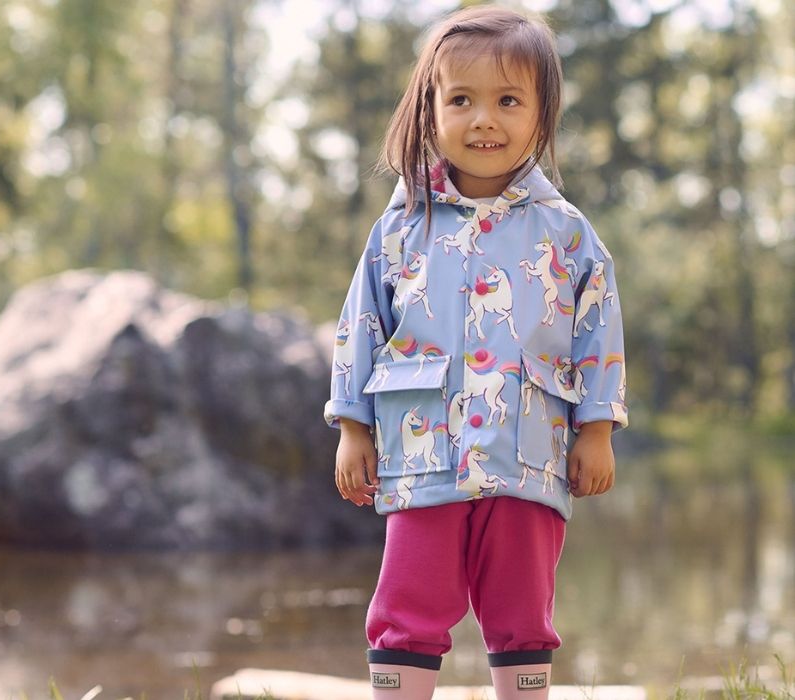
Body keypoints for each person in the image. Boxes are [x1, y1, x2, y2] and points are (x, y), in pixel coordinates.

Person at [323, 5, 628, 699]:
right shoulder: (400, 228)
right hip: (422, 450)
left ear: (540, 117)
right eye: (460, 99)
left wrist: (597, 429)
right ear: (430, 111)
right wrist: (351, 427)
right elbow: (359, 325)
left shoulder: (567, 234)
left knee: (522, 611)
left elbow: (597, 330)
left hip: (528, 452)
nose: (483, 119)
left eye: (507, 100)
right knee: (407, 603)